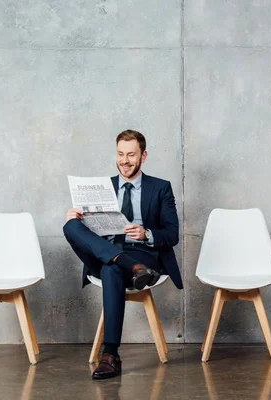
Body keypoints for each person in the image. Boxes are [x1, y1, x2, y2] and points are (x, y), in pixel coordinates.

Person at [63, 130, 182, 380]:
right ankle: (129, 264)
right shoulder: (101, 187)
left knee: (111, 269)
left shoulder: (160, 188)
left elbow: (172, 234)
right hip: (106, 250)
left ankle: (110, 356)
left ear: (143, 156)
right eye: (120, 154)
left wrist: (146, 233)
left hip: (144, 255)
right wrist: (78, 218)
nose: (124, 160)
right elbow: (85, 233)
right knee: (70, 225)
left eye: (131, 155)